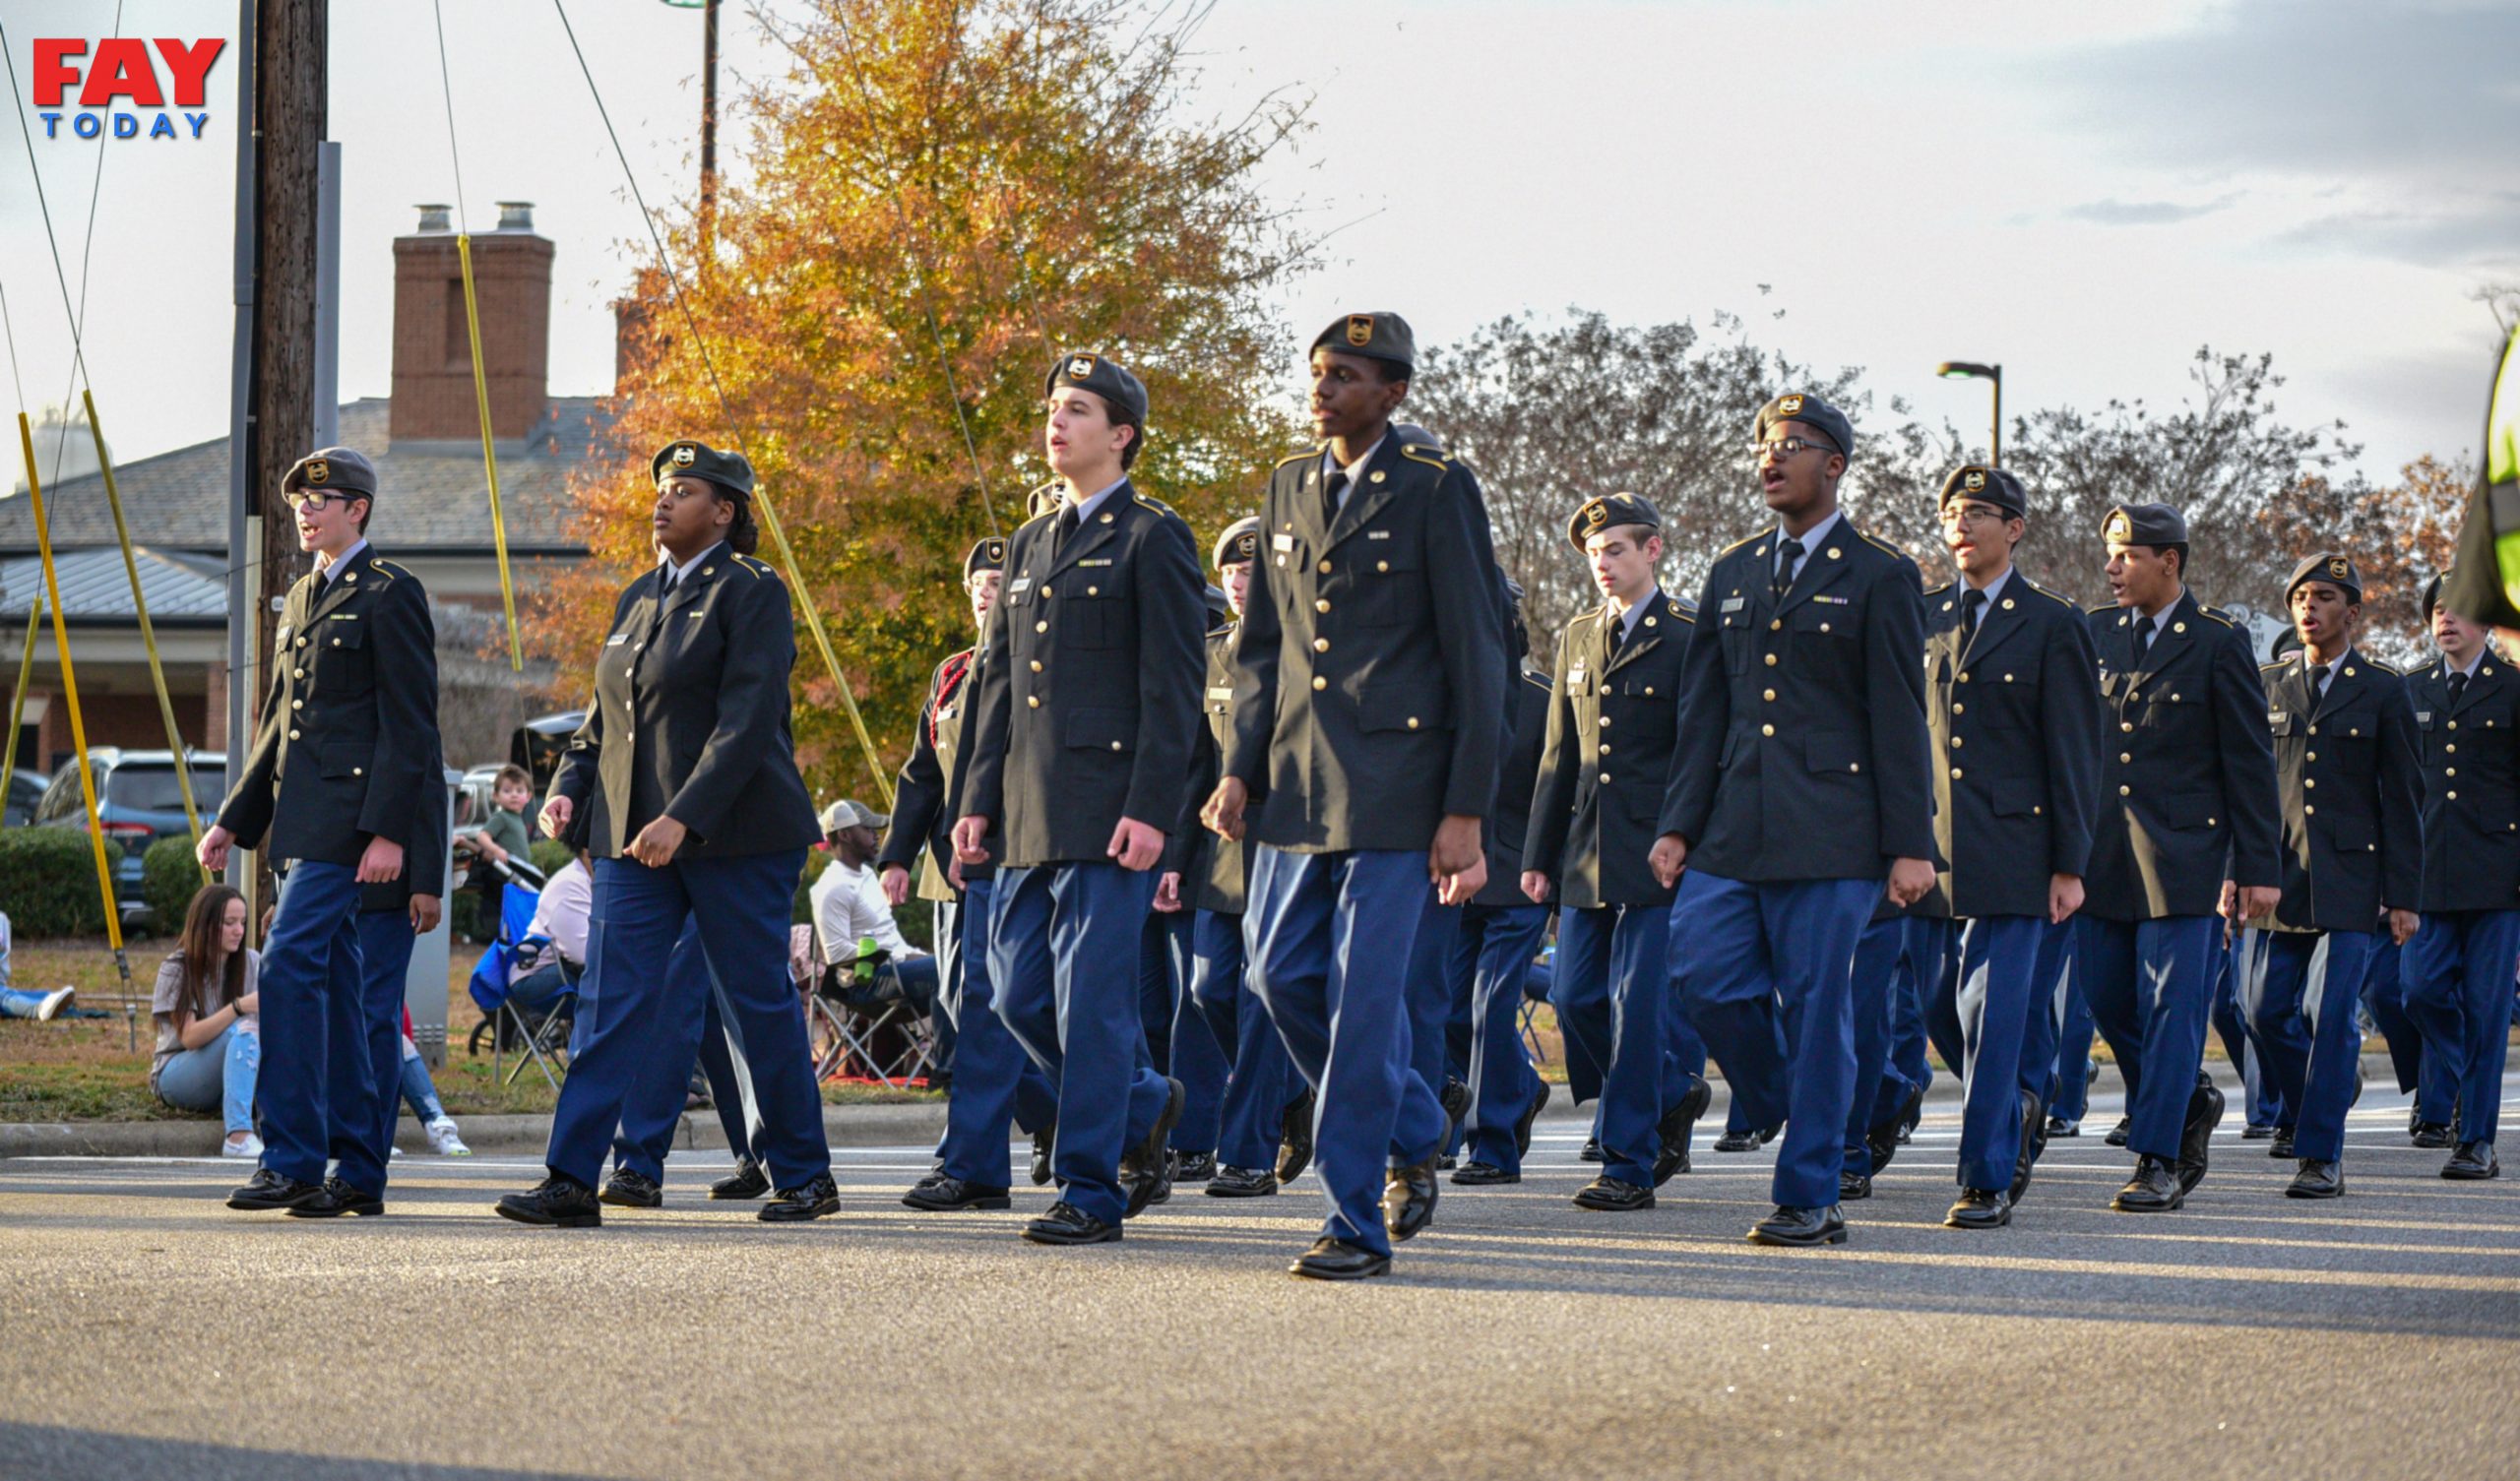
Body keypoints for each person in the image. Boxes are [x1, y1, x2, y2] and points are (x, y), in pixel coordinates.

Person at [1203, 311, 1504, 1280]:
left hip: (1399, 791)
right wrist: (1239, 767)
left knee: (1365, 1005)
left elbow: (1477, 653)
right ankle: (1417, 1121)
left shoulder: (1436, 488)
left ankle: (1351, 1216)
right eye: (1318, 371)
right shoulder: (1289, 484)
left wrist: (1465, 809)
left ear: (1395, 391)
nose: (1324, 387)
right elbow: (1262, 650)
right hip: (1295, 785)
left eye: (1346, 374)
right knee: (1277, 977)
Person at [496, 438, 836, 1228]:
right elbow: (599, 724)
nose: (662, 499)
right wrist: (566, 788)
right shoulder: (636, 598)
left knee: (757, 1005)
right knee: (609, 1005)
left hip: (735, 835)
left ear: (724, 511)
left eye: (683, 489)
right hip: (633, 843)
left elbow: (748, 723)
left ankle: (805, 1174)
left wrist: (683, 816)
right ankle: (572, 1177)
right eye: (660, 488)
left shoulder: (753, 591)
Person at [1648, 392, 1933, 1249]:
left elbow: (1899, 717)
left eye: (1793, 445)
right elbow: (1705, 712)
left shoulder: (1882, 573)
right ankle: (1821, 1101)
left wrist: (1910, 844)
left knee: (1819, 1009)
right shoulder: (1732, 569)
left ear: (1835, 464)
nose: (1770, 458)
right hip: (1732, 826)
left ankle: (1810, 1190)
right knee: (1699, 972)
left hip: (1835, 833)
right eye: (1763, 445)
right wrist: (1677, 824)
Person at [953, 350, 1203, 1247]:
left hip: (1110, 812)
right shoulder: (1028, 541)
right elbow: (992, 683)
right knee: (1020, 998)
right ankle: (1143, 1100)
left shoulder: (1153, 536)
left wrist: (1153, 808)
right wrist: (975, 798)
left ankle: (1092, 1187)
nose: (1056, 422)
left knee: (1092, 1005)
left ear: (1121, 435)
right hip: (1024, 808)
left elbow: (1174, 690)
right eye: (1053, 407)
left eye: (1079, 409)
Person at [199, 445, 442, 1217]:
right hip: (305, 826)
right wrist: (233, 822)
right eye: (300, 502)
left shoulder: (392, 594)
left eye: (322, 500)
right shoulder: (301, 597)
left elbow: (410, 728)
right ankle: (361, 1171)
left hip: (356, 827)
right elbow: (279, 724)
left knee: (288, 966)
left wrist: (389, 835)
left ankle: (295, 1156)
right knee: (338, 992)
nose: (305, 512)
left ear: (357, 510)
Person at [1913, 465, 2103, 1228]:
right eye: (1951, 512)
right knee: (1936, 1006)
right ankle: (2024, 1097)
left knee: (1990, 1011)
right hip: (1924, 851)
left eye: (1979, 512)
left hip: (2017, 850)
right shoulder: (1923, 616)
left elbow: (2074, 752)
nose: (1961, 523)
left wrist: (2069, 863)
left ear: (2015, 528)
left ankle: (1985, 1175)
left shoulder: (2054, 622)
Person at [2079, 502, 2279, 1212]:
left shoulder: (2220, 641)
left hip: (2186, 858)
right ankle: (2189, 1096)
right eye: (2109, 552)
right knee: (2106, 996)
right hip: (2103, 856)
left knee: (2171, 1007)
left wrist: (2258, 868)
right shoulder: (2094, 632)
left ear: (2170, 560)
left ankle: (2157, 1156)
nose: (2111, 566)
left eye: (2126, 553)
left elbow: (2251, 765)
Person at [1524, 491, 1709, 1211]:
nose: (1603, 563)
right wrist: (1538, 854)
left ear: (1653, 550)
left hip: (1660, 851)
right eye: (1595, 553)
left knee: (1637, 1006)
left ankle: (1628, 1163)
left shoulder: (1691, 633)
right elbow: (1558, 757)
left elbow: (1700, 750)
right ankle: (1670, 1091)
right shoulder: (1576, 635)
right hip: (1584, 851)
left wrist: (1686, 833)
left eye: (1617, 549)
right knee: (1574, 998)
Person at [879, 534, 1059, 1212]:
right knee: (961, 1009)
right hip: (949, 865)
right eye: (977, 580)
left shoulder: (1033, 662)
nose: (986, 587)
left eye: (998, 577)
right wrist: (897, 853)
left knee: (991, 1007)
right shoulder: (952, 672)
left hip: (1006, 854)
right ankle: (1058, 1116)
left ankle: (974, 1160)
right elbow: (923, 771)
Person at [2235, 553, 2421, 1200]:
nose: (2307, 608)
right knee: (2260, 1010)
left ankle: (2320, 1153)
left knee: (2331, 1009)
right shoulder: (2266, 684)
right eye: (2298, 597)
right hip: (2277, 875)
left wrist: (2403, 897)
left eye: (2322, 596)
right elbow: (2250, 790)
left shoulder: (2383, 688)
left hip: (2352, 881)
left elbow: (2403, 799)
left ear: (2353, 610)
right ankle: (2326, 1092)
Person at [1176, 518, 1305, 1197]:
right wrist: (1175, 855)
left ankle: (1249, 1152)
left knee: (1261, 999)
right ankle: (1290, 1092)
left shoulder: (1306, 650)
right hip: (1219, 857)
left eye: (1252, 573)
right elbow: (1195, 764)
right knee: (1208, 991)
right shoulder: (1211, 654)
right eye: (1230, 573)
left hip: (1286, 852)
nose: (1238, 583)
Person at [2401, 567, 2517, 1180]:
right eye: (2437, 609)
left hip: (2499, 879)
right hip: (2424, 878)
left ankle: (2476, 1141)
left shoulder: (2514, 688)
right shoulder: (2410, 689)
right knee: (2416, 991)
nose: (2445, 619)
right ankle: (2467, 1089)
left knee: (2488, 1007)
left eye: (2460, 609)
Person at [1452, 576, 1557, 1186]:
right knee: (1445, 1011)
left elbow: (1562, 792)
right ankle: (1521, 1088)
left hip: (1520, 878)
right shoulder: (1447, 695)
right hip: (1453, 879)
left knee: (1491, 1007)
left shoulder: (1542, 698)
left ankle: (1492, 1146)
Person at [150, 885, 264, 1158]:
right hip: (178, 1074)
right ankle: (237, 1137)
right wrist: (238, 1007)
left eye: (243, 922)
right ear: (205, 925)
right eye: (229, 923)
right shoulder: (177, 967)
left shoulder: (252, 961)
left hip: (236, 1069)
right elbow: (189, 1038)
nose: (239, 930)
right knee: (245, 1028)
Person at [811, 799, 942, 1035]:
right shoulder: (833, 887)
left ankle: (966, 1061)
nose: (877, 836)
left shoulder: (868, 877)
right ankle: (948, 1067)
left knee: (964, 968)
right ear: (845, 835)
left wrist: (914, 957)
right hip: (864, 984)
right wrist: (901, 958)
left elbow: (892, 941)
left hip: (894, 971)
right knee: (949, 973)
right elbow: (838, 955)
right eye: (868, 829)